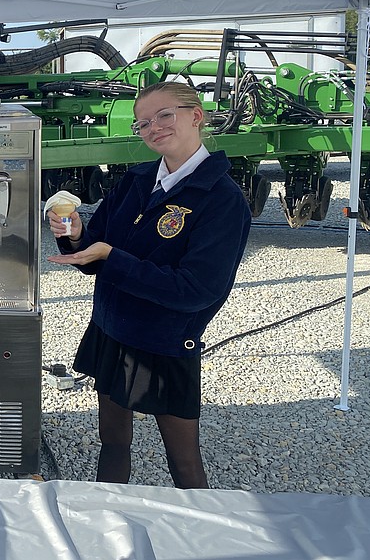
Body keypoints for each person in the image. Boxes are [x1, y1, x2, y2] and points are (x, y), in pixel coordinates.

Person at [47, 81, 251, 489]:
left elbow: (197, 289)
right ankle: (105, 523)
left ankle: (197, 538)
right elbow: (94, 248)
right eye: (143, 123)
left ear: (196, 116)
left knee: (184, 462)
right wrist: (73, 233)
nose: (153, 127)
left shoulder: (222, 198)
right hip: (111, 332)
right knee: (113, 444)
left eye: (164, 115)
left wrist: (110, 258)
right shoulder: (136, 181)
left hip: (165, 343)